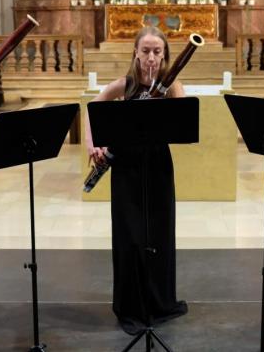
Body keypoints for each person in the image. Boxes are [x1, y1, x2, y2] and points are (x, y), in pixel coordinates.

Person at [84, 26, 188, 335]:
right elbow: (93, 108)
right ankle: (130, 305)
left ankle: (158, 302)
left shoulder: (172, 85)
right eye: (146, 51)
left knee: (158, 233)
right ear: (135, 53)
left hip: (157, 166)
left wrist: (166, 96)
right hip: (127, 167)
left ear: (165, 56)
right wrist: (94, 144)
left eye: (158, 52)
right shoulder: (125, 85)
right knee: (130, 236)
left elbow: (182, 121)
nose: (152, 57)